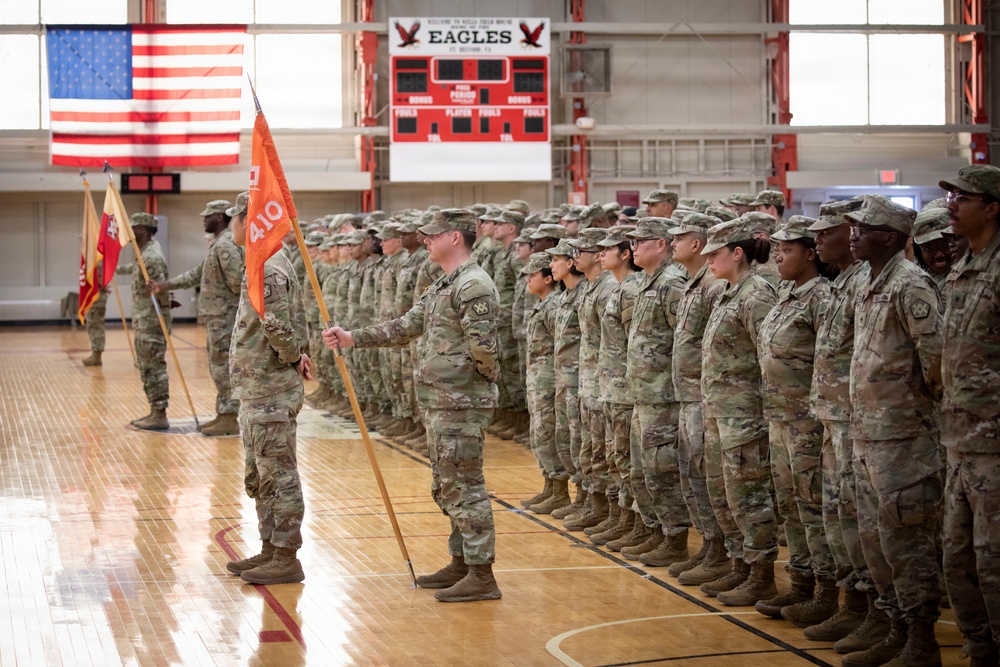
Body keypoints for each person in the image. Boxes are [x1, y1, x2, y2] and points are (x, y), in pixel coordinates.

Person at [322, 208, 503, 603]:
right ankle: (461, 561)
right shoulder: (444, 284)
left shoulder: (473, 284)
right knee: (448, 484)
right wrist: (353, 337)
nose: (425, 240)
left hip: (461, 403)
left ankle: (482, 574)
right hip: (442, 401)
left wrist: (470, 389)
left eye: (433, 235)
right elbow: (406, 326)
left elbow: (486, 351)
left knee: (466, 487)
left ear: (455, 237)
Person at [844, 194, 944, 667]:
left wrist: (919, 415)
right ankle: (893, 627)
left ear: (890, 237)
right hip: (868, 435)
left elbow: (937, 361)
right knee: (875, 538)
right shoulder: (869, 280)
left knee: (907, 541)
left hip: (904, 437)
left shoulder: (911, 284)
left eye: (863, 228)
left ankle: (921, 641)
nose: (853, 235)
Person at [223, 191, 312, 586]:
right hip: (257, 387)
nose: (231, 226)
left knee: (279, 473)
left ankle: (286, 555)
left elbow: (277, 325)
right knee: (261, 473)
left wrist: (293, 358)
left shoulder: (270, 266)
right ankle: (270, 547)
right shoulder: (261, 261)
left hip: (271, 388)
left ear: (249, 219)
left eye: (235, 218)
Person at [804, 199, 882, 650]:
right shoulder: (843, 284)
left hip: (860, 422)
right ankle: (850, 604)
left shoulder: (863, 284)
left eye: (826, 232)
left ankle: (872, 611)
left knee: (860, 522)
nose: (820, 241)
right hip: (833, 419)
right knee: (837, 518)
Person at [753, 216, 838, 623]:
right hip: (780, 419)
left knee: (812, 506)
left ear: (810, 254)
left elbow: (830, 361)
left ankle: (826, 591)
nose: (779, 256)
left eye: (787, 250)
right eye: (777, 249)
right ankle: (800, 584)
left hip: (808, 422)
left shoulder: (822, 297)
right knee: (790, 505)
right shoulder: (787, 293)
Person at [699, 217, 780, 606]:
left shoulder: (756, 295)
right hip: (720, 413)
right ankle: (740, 565)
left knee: (750, 498)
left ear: (737, 253)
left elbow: (768, 359)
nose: (708, 260)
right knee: (724, 495)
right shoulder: (726, 292)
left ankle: (761, 574)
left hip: (745, 417)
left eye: (714, 254)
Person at [939, 165, 1000, 667]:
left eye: (964, 196)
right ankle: (979, 648)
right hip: (960, 441)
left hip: (994, 446)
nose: (952, 204)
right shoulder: (964, 269)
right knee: (957, 559)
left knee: (994, 561)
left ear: (993, 207)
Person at [620, 218, 690, 565]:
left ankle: (674, 537)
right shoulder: (648, 283)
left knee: (662, 470)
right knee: (644, 469)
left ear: (660, 245)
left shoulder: (672, 284)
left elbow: (685, 341)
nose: (633, 247)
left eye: (640, 241)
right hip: (644, 394)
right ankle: (655, 530)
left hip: (664, 397)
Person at [667, 212, 732, 585]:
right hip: (688, 395)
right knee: (691, 473)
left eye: (680, 237)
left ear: (696, 243)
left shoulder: (711, 286)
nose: (673, 242)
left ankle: (721, 550)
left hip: (703, 396)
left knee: (708, 475)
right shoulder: (694, 284)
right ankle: (710, 543)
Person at [149, 200, 244, 436]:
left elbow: (238, 282)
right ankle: (224, 414)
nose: (203, 220)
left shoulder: (226, 245)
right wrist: (164, 286)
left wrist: (234, 311)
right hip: (217, 317)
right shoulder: (217, 245)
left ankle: (230, 417)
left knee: (223, 367)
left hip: (225, 317)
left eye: (207, 216)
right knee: (217, 366)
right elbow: (196, 274)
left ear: (220, 217)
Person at [520, 252, 566, 512]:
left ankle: (559, 490)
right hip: (538, 381)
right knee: (539, 435)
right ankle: (549, 486)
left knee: (548, 434)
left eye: (533, 275)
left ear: (548, 279)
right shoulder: (542, 305)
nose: (528, 279)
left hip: (549, 381)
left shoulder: (554, 306)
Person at [119, 212, 172, 430]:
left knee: (153, 368)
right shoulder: (144, 253)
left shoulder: (151, 257)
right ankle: (154, 410)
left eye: (132, 228)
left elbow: (158, 286)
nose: (128, 232)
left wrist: (166, 301)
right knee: (147, 367)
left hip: (151, 322)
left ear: (142, 230)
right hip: (145, 320)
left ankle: (159, 413)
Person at [82, 269, 110, 366]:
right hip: (94, 294)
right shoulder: (94, 257)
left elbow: (100, 277)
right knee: (93, 325)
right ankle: (96, 353)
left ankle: (97, 355)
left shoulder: (96, 257)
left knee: (95, 325)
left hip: (96, 296)